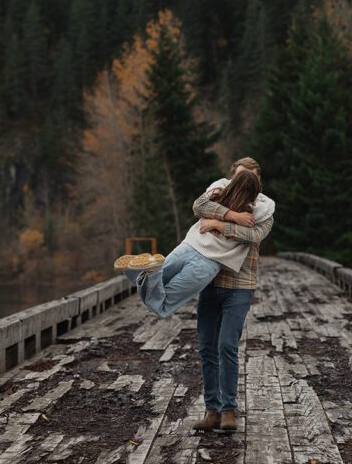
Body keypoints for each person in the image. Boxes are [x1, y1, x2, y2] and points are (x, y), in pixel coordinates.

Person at [114, 169, 274, 319]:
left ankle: (141, 271)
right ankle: (151, 271)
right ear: (256, 192)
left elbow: (198, 205)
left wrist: (217, 223)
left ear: (232, 182)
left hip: (188, 247)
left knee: (153, 287)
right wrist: (236, 218)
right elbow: (254, 236)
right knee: (161, 306)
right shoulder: (253, 214)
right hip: (207, 264)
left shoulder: (216, 197)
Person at [190, 157, 273, 433]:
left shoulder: (264, 208)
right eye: (240, 177)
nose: (245, 182)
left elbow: (255, 236)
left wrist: (217, 225)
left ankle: (229, 410)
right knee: (206, 347)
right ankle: (212, 409)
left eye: (251, 177)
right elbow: (198, 206)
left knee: (227, 345)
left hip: (240, 285)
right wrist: (233, 216)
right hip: (211, 283)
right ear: (232, 178)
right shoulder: (220, 194)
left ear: (258, 180)